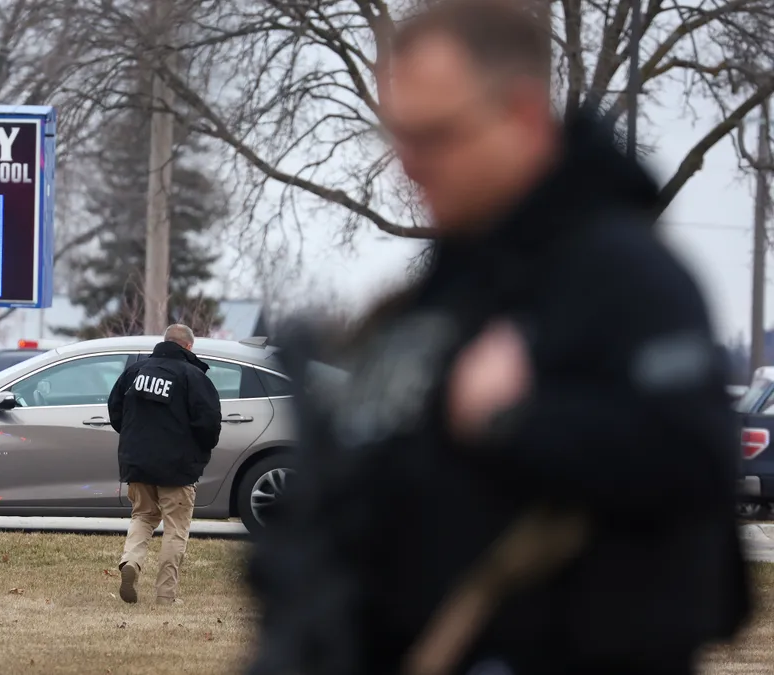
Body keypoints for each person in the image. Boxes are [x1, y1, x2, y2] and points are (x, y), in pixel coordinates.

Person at [245, 0, 750, 673]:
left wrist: (514, 422)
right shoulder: (438, 295)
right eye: (398, 137)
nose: (409, 167)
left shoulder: (624, 275)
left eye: (434, 136)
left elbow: (696, 461)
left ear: (521, 116)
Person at [108, 324, 222, 606]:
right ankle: (165, 595)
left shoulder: (134, 372)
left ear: (165, 342)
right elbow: (209, 424)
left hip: (137, 462)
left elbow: (115, 411)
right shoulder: (192, 376)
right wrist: (199, 451)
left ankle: (131, 562)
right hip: (178, 466)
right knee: (175, 527)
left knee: (143, 516)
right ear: (188, 347)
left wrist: (135, 441)